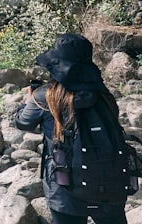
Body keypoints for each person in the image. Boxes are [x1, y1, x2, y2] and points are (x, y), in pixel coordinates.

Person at [14, 33, 128, 224]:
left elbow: (23, 122)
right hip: (109, 185)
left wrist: (28, 100)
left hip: (65, 190)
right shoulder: (104, 95)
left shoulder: (46, 97)